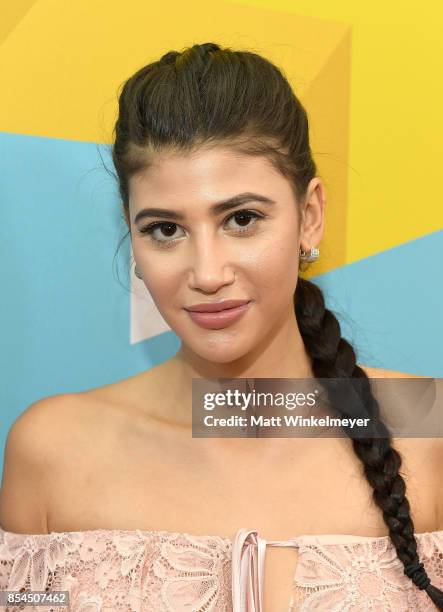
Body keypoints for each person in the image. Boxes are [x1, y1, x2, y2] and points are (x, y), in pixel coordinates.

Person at [0, 42, 442, 611]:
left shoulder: (428, 434)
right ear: (132, 237)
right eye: (165, 229)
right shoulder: (53, 450)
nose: (207, 274)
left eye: (242, 219)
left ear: (310, 216)